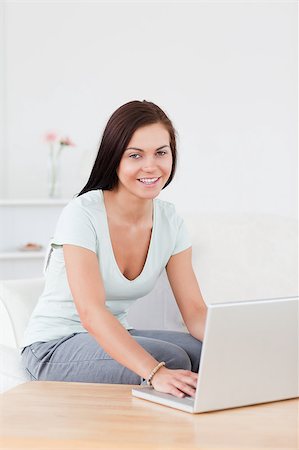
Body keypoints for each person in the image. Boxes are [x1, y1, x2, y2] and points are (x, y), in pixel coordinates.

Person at [21, 100, 207, 399]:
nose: (151, 166)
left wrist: (235, 344)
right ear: (115, 159)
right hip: (53, 347)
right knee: (170, 361)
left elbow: (196, 312)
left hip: (113, 337)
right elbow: (91, 312)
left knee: (204, 353)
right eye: (135, 155)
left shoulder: (170, 220)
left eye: (161, 152)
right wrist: (155, 372)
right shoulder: (82, 214)